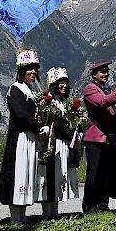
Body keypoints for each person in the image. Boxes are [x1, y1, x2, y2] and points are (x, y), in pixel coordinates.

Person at [0, 49, 49, 224]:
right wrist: (39, 127)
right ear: (21, 71)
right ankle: (15, 217)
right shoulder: (15, 90)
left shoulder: (30, 91)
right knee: (18, 174)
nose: (33, 72)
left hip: (31, 138)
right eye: (29, 69)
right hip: (20, 139)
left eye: (35, 69)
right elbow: (20, 115)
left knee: (27, 174)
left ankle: (23, 214)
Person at [81, 61, 116, 214]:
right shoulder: (90, 89)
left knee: (105, 174)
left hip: (109, 138)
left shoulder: (107, 89)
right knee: (94, 173)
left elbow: (114, 115)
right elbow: (103, 102)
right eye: (101, 72)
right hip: (95, 137)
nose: (105, 74)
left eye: (106, 71)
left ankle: (103, 205)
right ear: (94, 74)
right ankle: (90, 205)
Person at [40, 67, 76, 220]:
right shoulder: (48, 101)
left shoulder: (63, 103)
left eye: (65, 83)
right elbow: (55, 123)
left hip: (63, 143)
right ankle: (46, 212)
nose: (64, 86)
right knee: (49, 177)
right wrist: (69, 130)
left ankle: (55, 210)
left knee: (58, 177)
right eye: (60, 83)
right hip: (51, 143)